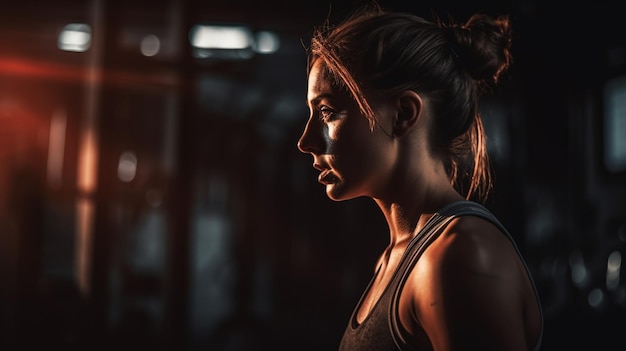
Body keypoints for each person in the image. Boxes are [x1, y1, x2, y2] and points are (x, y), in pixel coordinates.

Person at [296, 2, 543, 350]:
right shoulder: (398, 256)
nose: (305, 141)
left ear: (403, 114)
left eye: (327, 111)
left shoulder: (457, 255)